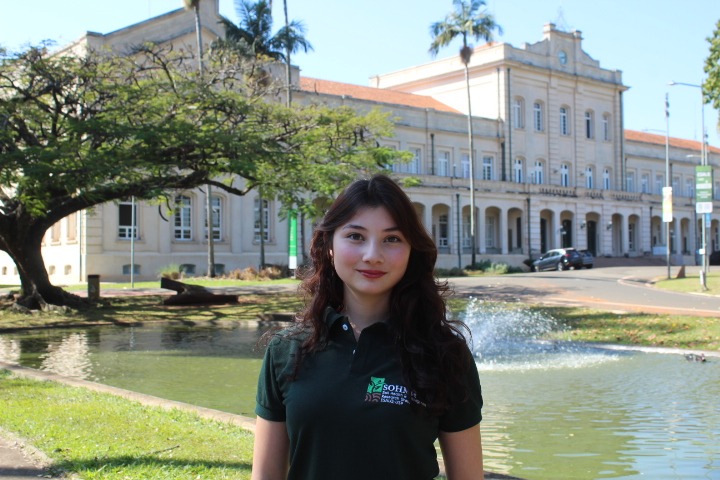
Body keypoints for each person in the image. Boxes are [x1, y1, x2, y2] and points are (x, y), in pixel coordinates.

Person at [251, 174, 484, 480]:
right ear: (329, 245)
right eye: (355, 236)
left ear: (411, 250)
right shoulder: (286, 350)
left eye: (392, 239)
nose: (373, 255)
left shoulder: (445, 353)